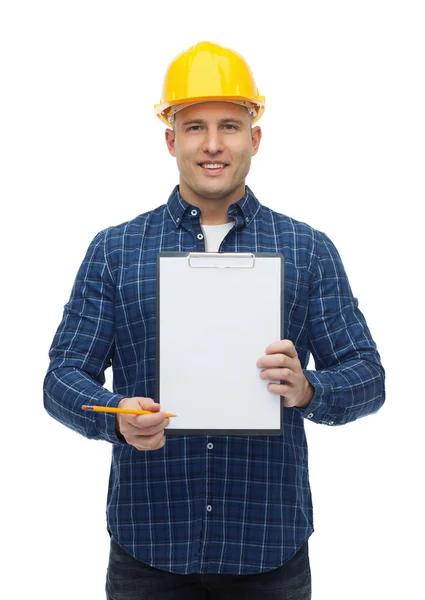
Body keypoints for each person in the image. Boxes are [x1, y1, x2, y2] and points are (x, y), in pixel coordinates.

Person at [43, 41, 385, 600]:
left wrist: (308, 388)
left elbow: (368, 376)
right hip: (147, 549)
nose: (212, 144)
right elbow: (61, 379)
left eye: (229, 124)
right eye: (194, 125)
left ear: (255, 137)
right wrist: (115, 418)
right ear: (170, 138)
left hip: (269, 553)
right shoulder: (116, 250)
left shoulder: (308, 249)